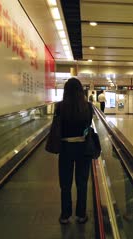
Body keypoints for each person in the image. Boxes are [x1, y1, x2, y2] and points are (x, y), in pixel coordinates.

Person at [55, 78, 94, 224]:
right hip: (83, 148)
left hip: (65, 148)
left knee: (65, 183)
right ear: (80, 91)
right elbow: (88, 124)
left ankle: (65, 215)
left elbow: (57, 127)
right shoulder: (87, 107)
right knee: (82, 182)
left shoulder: (60, 107)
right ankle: (81, 215)